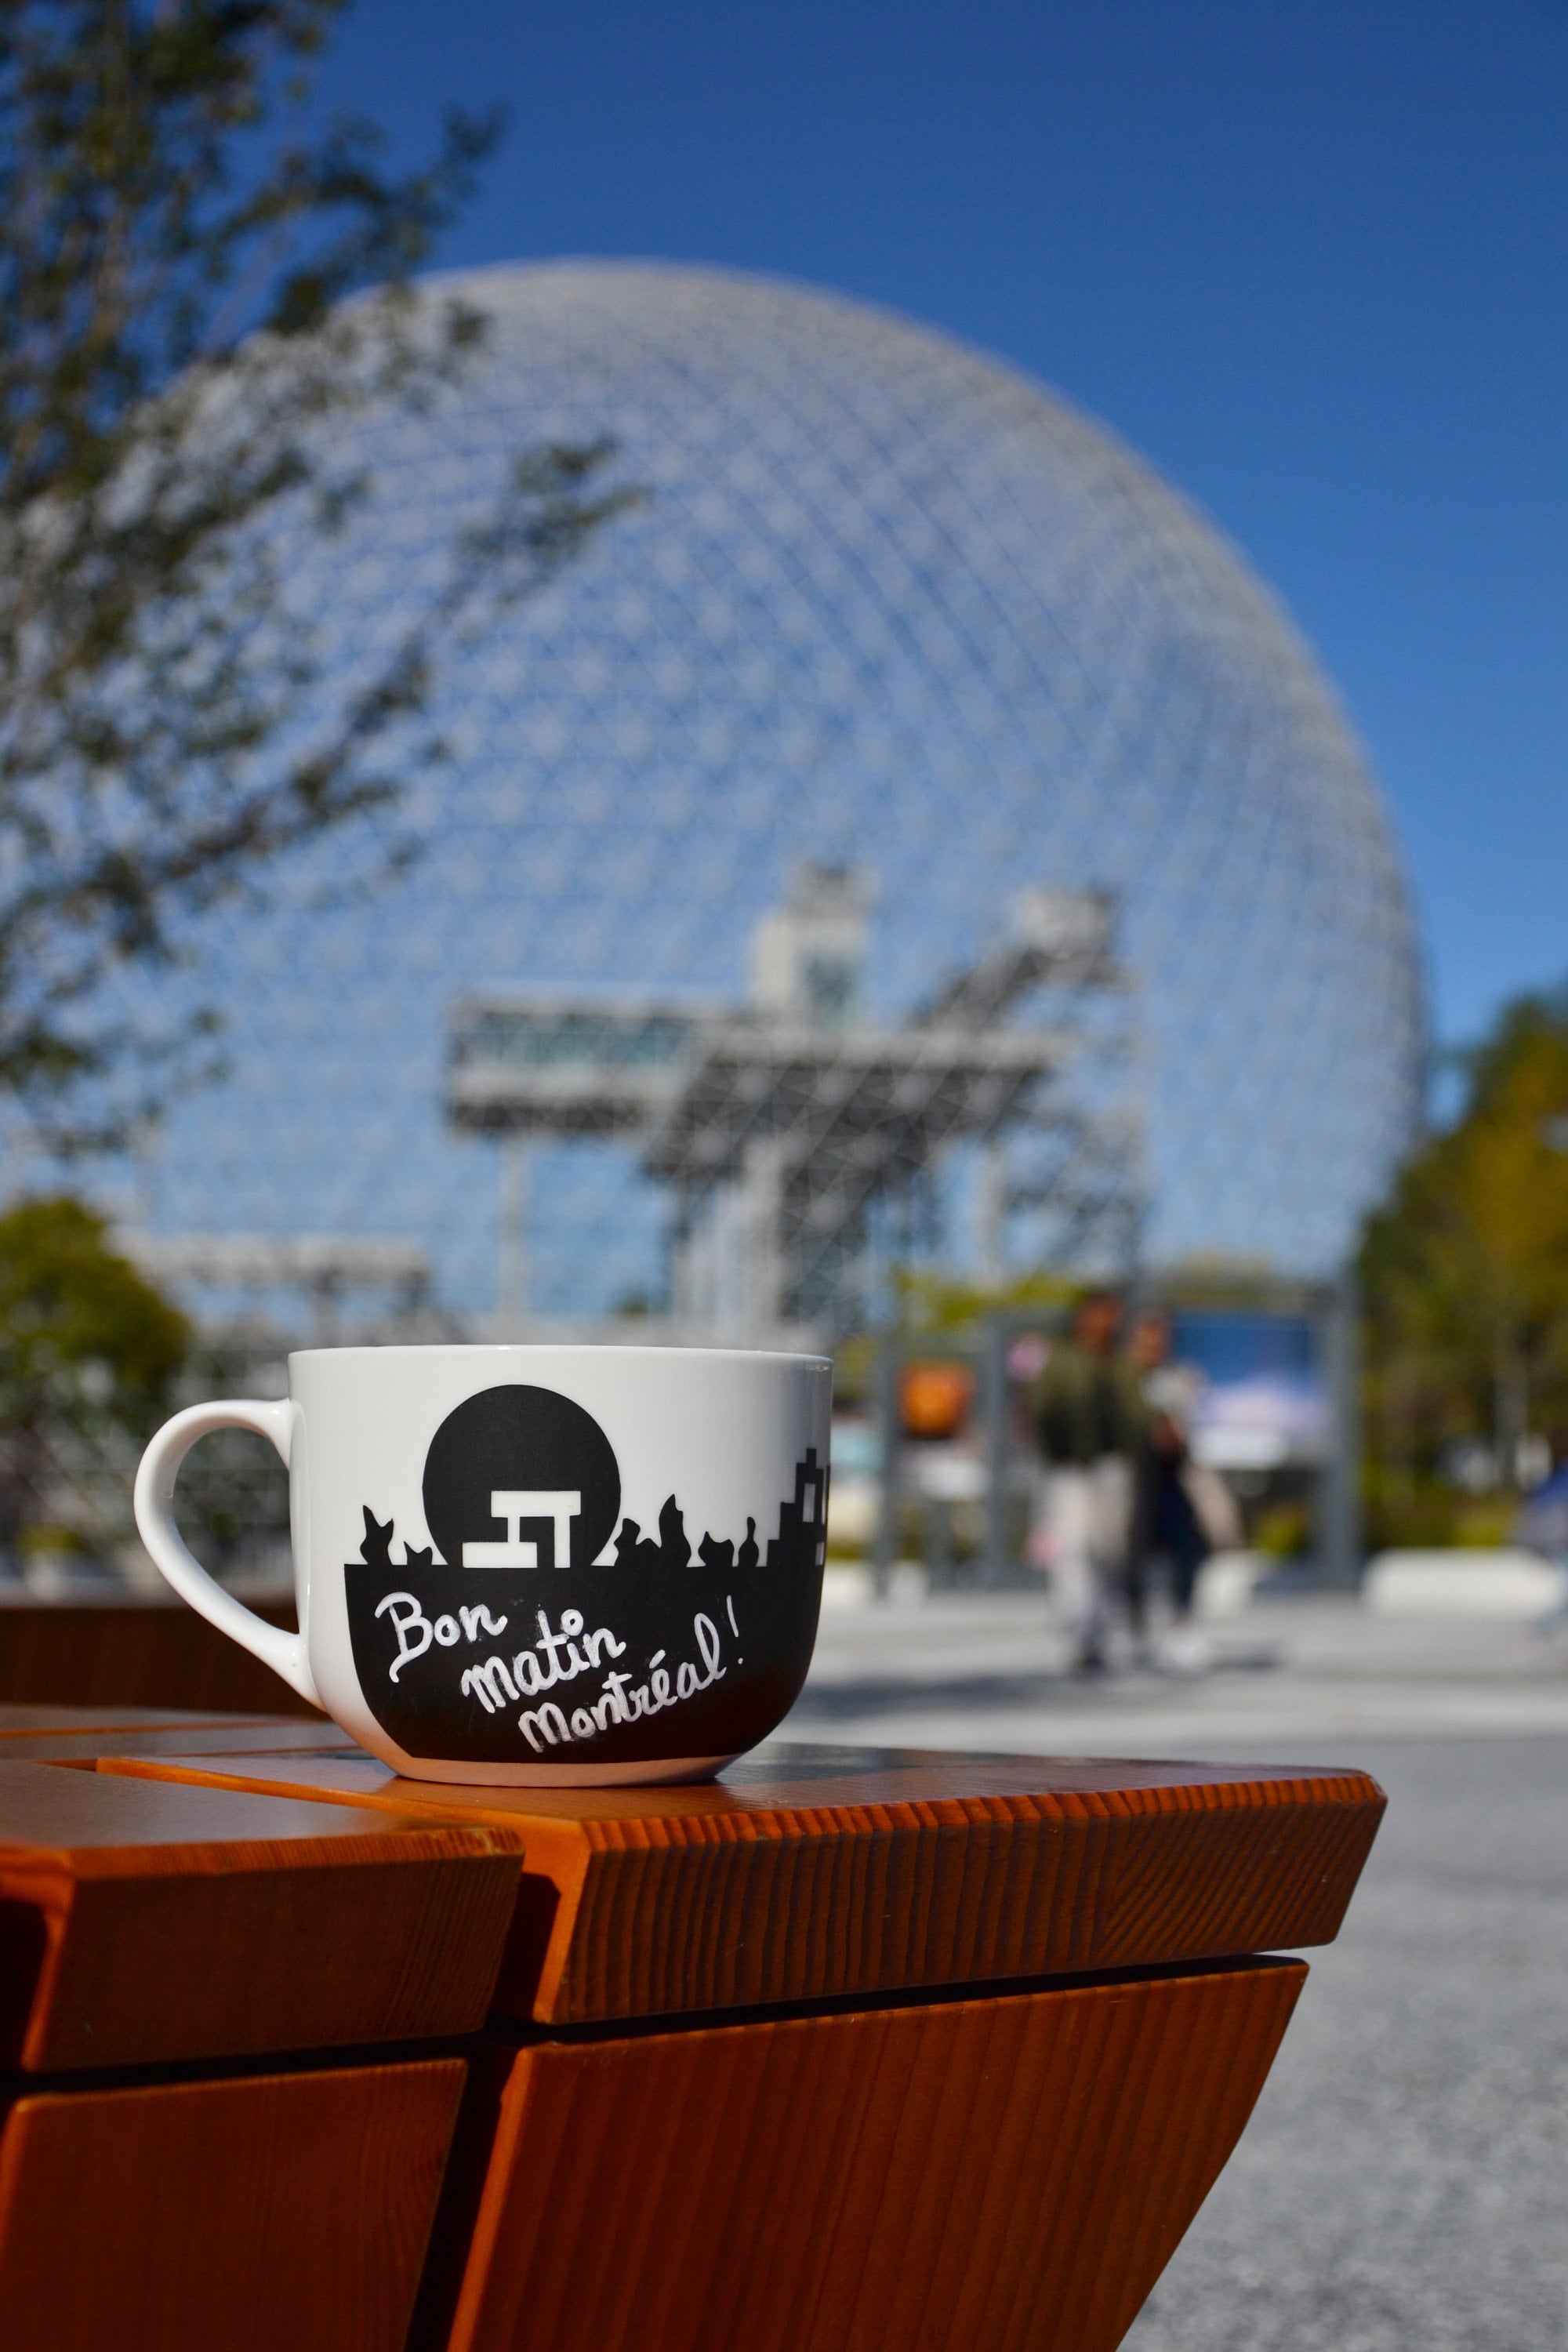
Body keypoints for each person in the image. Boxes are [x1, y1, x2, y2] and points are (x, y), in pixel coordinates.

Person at [1030, 1290, 1145, 1671]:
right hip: (1072, 1471)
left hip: (1113, 1470)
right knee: (1074, 1550)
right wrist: (1058, 1454)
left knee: (1108, 1552)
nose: (1106, 1323)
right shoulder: (1063, 1359)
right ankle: (1082, 1632)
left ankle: (1102, 1629)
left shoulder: (1121, 1361)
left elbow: (1136, 1416)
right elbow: (1044, 1409)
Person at [1125, 1310, 1238, 1671]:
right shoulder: (1121, 1380)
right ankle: (1136, 1631)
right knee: (1130, 1560)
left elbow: (1190, 1427)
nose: (1153, 1347)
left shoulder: (1177, 1378)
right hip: (1131, 1481)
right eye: (1146, 1339)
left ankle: (1181, 1625)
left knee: (1188, 1549)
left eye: (1160, 1339)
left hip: (1172, 1479)